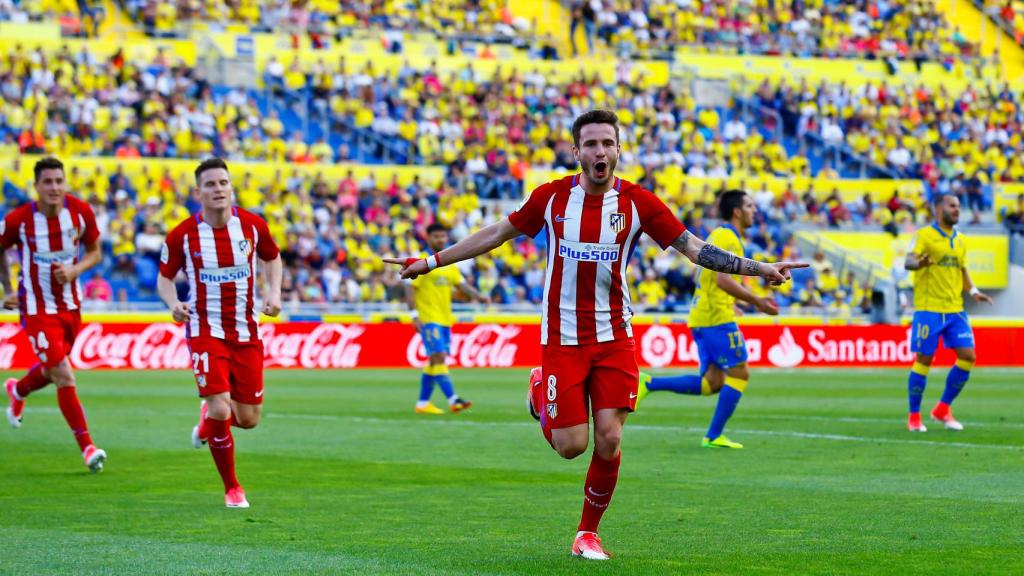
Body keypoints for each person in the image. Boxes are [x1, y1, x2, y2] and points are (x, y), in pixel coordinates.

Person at [385, 110, 806, 560]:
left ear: (619, 150)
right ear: (576, 152)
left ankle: (587, 533)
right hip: (562, 338)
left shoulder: (639, 203)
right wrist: (431, 262)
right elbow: (497, 234)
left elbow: (695, 249)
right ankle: (537, 389)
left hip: (614, 335)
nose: (600, 151)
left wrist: (759, 269)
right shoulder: (550, 198)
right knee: (571, 446)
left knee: (609, 437)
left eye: (608, 143)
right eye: (591, 144)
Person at [157, 158, 283, 508]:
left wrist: (274, 293)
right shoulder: (182, 234)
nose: (218, 189)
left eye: (223, 183)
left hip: (246, 332)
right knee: (219, 407)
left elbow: (273, 258)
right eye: (210, 185)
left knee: (248, 419)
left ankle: (206, 425)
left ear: (231, 188)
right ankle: (232, 488)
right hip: (204, 330)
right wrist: (173, 304)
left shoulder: (253, 226)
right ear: (198, 193)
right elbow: (165, 278)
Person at [636, 190, 779, 449]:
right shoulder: (729, 238)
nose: (754, 211)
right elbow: (723, 278)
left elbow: (707, 278)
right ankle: (713, 436)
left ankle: (650, 382)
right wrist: (757, 301)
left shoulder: (719, 236)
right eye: (749, 206)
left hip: (703, 314)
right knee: (740, 373)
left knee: (712, 382)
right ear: (737, 211)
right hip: (715, 317)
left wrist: (731, 302)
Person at [0, 157, 107, 472]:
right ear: (36, 187)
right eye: (47, 182)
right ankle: (88, 447)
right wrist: (7, 288)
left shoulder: (80, 212)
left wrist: (74, 270)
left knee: (52, 368)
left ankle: (18, 389)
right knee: (63, 372)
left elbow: (95, 252)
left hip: (71, 308)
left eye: (59, 181)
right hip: (36, 308)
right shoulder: (20, 220)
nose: (54, 187)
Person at [904, 194, 992, 432]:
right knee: (924, 359)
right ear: (938, 208)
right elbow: (908, 261)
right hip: (929, 308)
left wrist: (973, 291)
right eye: (952, 206)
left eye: (959, 207)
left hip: (955, 309)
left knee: (968, 357)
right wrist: (919, 264)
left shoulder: (961, 240)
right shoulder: (924, 235)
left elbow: (962, 269)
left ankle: (942, 409)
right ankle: (914, 417)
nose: (957, 210)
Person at [407, 223, 488, 414]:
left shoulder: (448, 264)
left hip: (445, 319)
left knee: (434, 361)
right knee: (439, 357)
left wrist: (479, 296)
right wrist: (414, 315)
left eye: (443, 236)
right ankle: (453, 399)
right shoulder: (421, 261)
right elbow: (409, 289)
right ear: (428, 238)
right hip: (429, 319)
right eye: (437, 236)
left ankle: (422, 403)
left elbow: (462, 286)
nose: (441, 240)